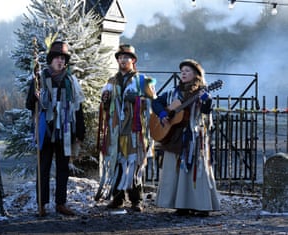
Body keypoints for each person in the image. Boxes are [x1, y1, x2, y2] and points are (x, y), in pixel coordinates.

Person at [151, 59, 220, 216]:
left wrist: (206, 101)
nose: (183, 73)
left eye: (187, 71)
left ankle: (201, 206)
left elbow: (206, 111)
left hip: (194, 137)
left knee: (197, 170)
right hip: (174, 136)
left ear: (196, 75)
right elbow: (156, 103)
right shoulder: (172, 93)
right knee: (175, 171)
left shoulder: (202, 93)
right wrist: (162, 114)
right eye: (182, 70)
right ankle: (180, 204)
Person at [26, 40, 86, 216]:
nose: (60, 61)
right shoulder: (39, 79)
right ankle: (42, 204)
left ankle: (61, 203)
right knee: (43, 167)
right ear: (51, 60)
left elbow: (78, 107)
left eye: (63, 58)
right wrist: (35, 98)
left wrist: (80, 131)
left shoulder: (70, 81)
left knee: (63, 168)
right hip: (46, 129)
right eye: (57, 58)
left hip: (65, 130)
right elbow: (29, 105)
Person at [99, 44, 156, 212]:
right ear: (117, 60)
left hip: (134, 129)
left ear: (133, 60)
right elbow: (105, 106)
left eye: (126, 57)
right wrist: (106, 100)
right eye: (120, 57)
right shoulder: (111, 81)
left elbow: (153, 102)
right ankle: (117, 199)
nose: (123, 60)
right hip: (116, 129)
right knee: (117, 161)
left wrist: (138, 99)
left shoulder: (143, 80)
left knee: (134, 163)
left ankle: (136, 200)